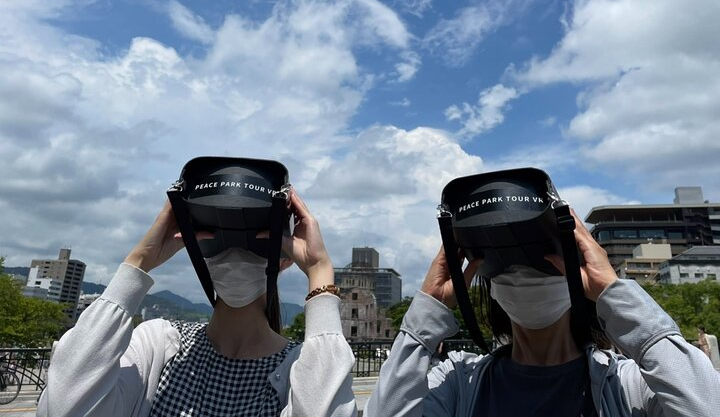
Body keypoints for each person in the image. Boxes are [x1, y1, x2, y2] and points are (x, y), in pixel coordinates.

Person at [365, 209, 720, 416]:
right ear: (489, 282)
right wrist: (427, 311)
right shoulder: (459, 381)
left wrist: (612, 291)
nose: (523, 271)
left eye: (542, 260)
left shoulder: (629, 384)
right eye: (504, 262)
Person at [38, 189, 356, 416]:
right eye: (216, 240)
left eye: (254, 241)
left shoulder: (300, 368)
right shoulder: (158, 346)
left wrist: (318, 270)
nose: (233, 254)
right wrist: (138, 263)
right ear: (196, 251)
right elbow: (65, 407)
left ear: (284, 258)